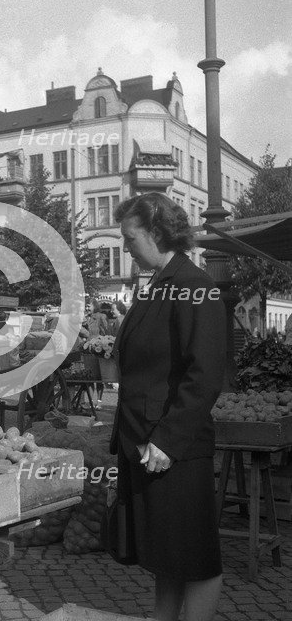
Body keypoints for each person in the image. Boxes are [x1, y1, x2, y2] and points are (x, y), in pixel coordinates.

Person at [110, 192, 225, 621]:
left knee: (195, 557)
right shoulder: (161, 283)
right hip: (145, 440)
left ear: (157, 232)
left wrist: (167, 442)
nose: (125, 247)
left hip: (174, 449)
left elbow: (205, 375)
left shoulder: (195, 286)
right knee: (166, 551)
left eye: (130, 237)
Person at [82, 298, 108, 408]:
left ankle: (99, 402)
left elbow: (106, 331)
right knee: (90, 377)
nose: (87, 308)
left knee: (99, 377)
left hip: (99, 348)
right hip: (88, 349)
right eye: (86, 306)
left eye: (89, 306)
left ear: (95, 306)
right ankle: (92, 402)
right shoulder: (85, 318)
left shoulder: (101, 317)